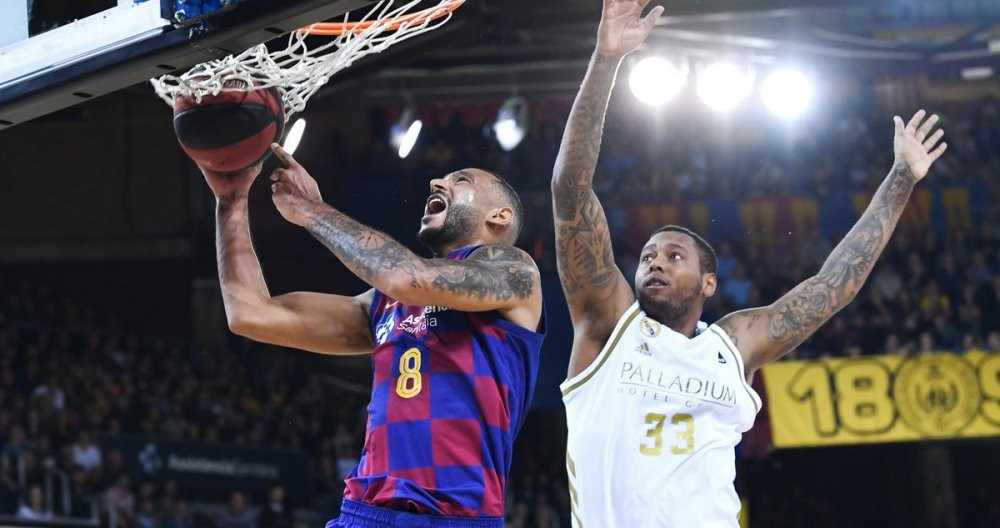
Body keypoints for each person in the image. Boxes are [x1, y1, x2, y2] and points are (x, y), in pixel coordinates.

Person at [550, 1, 948, 526]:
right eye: (647, 255)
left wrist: (901, 180)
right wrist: (606, 58)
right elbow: (570, 190)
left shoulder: (732, 346)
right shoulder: (606, 326)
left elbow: (834, 286)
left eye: (674, 255)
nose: (655, 263)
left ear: (709, 282)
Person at [198, 144, 545, 527]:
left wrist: (313, 211)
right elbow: (251, 314)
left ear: (499, 216)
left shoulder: (515, 271)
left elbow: (405, 277)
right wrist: (230, 201)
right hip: (364, 513)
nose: (436, 182)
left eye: (460, 181)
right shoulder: (383, 303)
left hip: (452, 517)